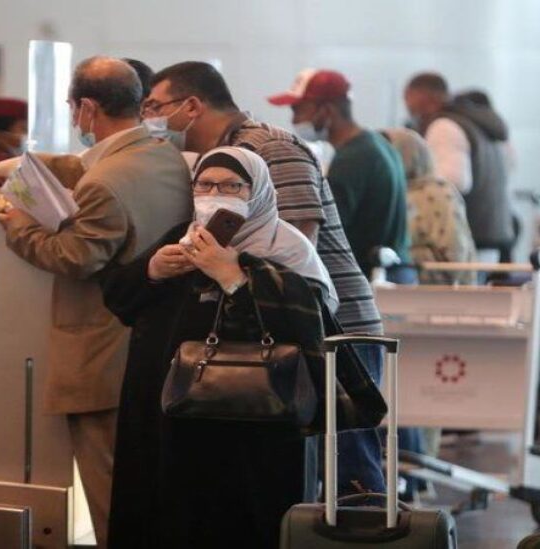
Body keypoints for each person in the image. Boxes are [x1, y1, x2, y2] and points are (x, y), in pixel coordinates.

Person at [143, 61, 385, 496]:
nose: (149, 119)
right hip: (274, 335)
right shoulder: (222, 153)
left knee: (346, 470)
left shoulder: (270, 147)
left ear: (192, 106)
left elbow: (295, 244)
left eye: (155, 106)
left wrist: (232, 274)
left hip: (334, 330)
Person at [0, 56, 192, 548]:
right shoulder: (164, 155)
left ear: (86, 107)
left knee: (110, 501)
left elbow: (74, 256)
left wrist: (17, 223)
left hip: (102, 359)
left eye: (71, 107)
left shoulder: (103, 185)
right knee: (148, 492)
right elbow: (100, 167)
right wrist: (35, 167)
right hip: (157, 350)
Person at [101, 146, 333, 549]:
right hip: (170, 412)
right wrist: (152, 271)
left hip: (252, 421)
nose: (216, 193)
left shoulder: (285, 246)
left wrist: (235, 277)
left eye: (232, 185)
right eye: (205, 184)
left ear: (257, 191)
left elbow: (311, 321)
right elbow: (120, 300)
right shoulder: (181, 237)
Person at [269, 69, 412, 281]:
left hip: (370, 277)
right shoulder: (377, 144)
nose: (294, 119)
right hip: (395, 271)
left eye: (299, 110)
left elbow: (328, 229)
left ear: (326, 110)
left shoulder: (353, 158)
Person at [404, 73, 514, 260]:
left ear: (425, 97)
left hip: (466, 237)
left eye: (408, 99)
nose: (408, 108)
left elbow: (452, 181)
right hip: (490, 233)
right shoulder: (477, 124)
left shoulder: (444, 126)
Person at [382, 128, 477, 285]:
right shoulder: (392, 191)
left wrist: (400, 257)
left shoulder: (438, 193)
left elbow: (454, 257)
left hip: (437, 294)